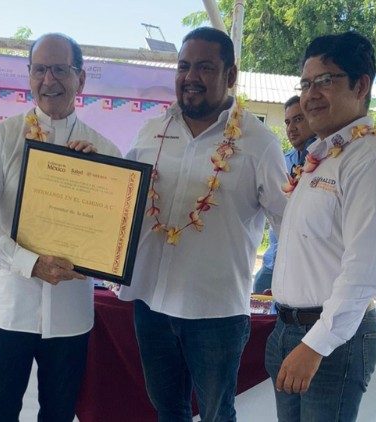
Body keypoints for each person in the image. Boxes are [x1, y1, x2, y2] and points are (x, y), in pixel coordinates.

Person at [117, 27, 288, 421]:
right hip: (151, 302)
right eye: (184, 66)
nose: (191, 77)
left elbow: (287, 222)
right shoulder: (152, 131)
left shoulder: (258, 142)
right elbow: (122, 196)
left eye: (205, 67)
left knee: (215, 414)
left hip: (215, 312)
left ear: (230, 75)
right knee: (168, 411)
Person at [0, 33, 121, 421]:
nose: (49, 79)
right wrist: (28, 263)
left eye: (60, 69)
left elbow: (114, 231)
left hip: (69, 313)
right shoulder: (1, 137)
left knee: (59, 414)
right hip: (8, 307)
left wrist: (101, 180)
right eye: (40, 69)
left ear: (80, 79)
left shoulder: (105, 151)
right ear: (29, 76)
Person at [266, 31, 376, 421]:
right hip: (289, 330)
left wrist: (315, 346)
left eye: (325, 80)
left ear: (361, 85)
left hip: (332, 340)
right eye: (305, 83)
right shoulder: (323, 156)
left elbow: (363, 271)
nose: (309, 94)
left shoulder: (372, 162)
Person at [253, 95, 315, 293]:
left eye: (298, 119)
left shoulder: (328, 161)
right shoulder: (280, 161)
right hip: (274, 263)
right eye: (287, 122)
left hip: (308, 268)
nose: (291, 128)